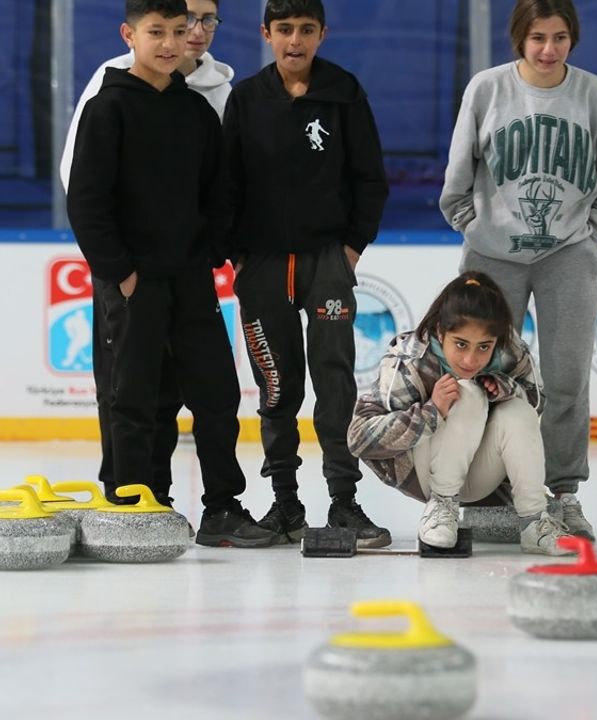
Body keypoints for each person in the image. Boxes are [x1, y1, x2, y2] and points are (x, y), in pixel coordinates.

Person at [66, 0, 271, 548]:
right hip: (132, 282)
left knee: (216, 393)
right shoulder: (107, 108)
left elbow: (218, 192)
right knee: (134, 396)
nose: (169, 43)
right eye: (156, 32)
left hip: (191, 279)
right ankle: (137, 501)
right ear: (128, 35)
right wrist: (120, 272)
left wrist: (211, 252)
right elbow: (86, 200)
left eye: (179, 32)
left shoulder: (196, 112)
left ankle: (222, 506)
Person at [439, 0, 597, 541]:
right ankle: (482, 491)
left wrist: (593, 230)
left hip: (567, 256)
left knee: (567, 377)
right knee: (481, 371)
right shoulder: (487, 89)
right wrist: (473, 225)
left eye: (560, 37)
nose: (549, 49)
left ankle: (563, 492)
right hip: (492, 256)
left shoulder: (593, 94)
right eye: (538, 38)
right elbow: (458, 174)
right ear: (519, 39)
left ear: (573, 39)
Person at [222, 0, 391, 548]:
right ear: (266, 33)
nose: (295, 40)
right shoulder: (246, 98)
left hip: (326, 265)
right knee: (277, 387)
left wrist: (350, 250)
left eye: (306, 30)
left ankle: (344, 502)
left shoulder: (344, 92)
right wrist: (238, 255)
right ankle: (285, 503)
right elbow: (226, 182)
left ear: (323, 34)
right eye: (285, 29)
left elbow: (370, 177)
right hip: (263, 267)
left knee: (334, 382)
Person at [348, 272, 572, 555]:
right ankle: (441, 507)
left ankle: (534, 522)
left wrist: (507, 389)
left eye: (484, 347)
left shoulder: (510, 351)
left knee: (518, 408)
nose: (470, 359)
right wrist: (432, 411)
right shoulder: (409, 359)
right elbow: (359, 438)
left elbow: (536, 403)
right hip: (424, 474)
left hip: (480, 474)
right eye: (461, 344)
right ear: (441, 332)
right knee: (467, 393)